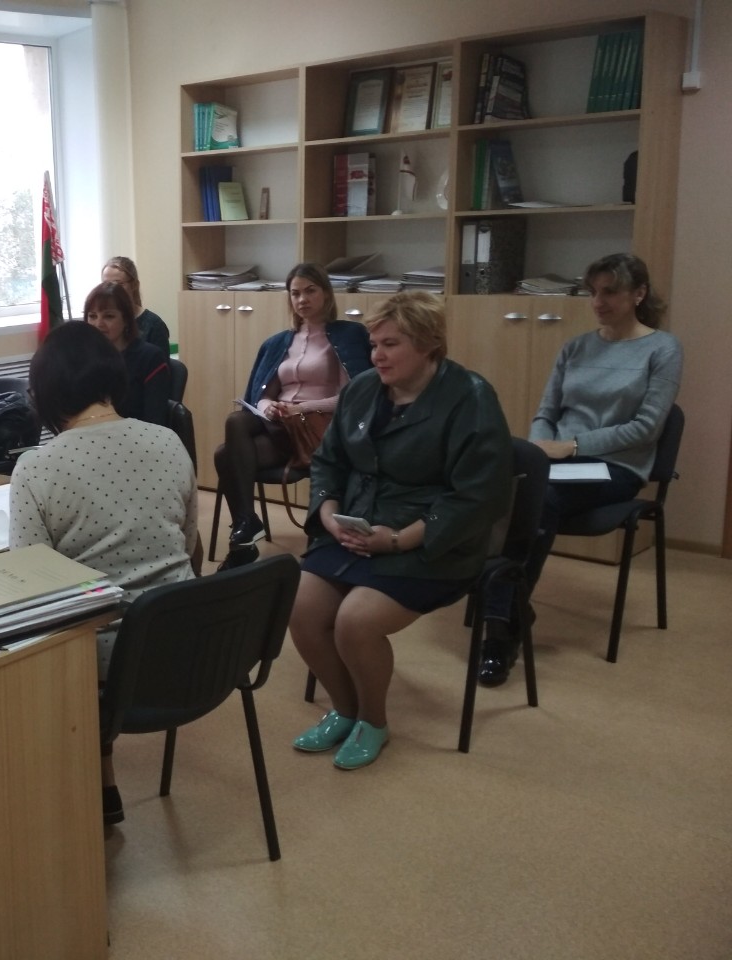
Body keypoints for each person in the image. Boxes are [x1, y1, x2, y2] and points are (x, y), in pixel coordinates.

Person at [0, 321, 198, 824]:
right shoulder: (169, 442)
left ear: (46, 394)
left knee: (39, 633)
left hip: (105, 657)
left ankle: (64, 787)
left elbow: (27, 589)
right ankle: (103, 781)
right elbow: (187, 544)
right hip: (185, 642)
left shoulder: (38, 467)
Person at [288, 293, 510, 770]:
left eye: (390, 345)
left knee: (356, 622)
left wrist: (398, 539)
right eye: (374, 344)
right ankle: (345, 709)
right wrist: (328, 513)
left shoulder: (470, 397)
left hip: (433, 542)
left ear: (428, 344)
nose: (377, 356)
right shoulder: (363, 389)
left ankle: (373, 720)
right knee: (300, 609)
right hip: (357, 529)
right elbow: (328, 461)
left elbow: (475, 496)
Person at [479, 253, 683, 686]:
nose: (597, 302)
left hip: (616, 466)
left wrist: (572, 446)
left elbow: (646, 428)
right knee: (502, 486)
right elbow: (546, 412)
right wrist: (539, 449)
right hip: (556, 459)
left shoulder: (663, 349)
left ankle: (498, 630)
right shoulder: (575, 347)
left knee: (540, 498)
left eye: (610, 292)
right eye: (593, 292)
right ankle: (511, 608)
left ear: (639, 294)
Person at [213, 262, 372, 554]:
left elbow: (351, 398)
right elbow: (261, 396)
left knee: (225, 455)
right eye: (295, 293)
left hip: (319, 430)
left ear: (326, 293)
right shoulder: (278, 342)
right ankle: (247, 521)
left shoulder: (347, 335)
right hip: (281, 427)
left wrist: (303, 408)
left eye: (310, 291)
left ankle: (246, 531)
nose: (302, 299)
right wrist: (269, 406)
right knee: (236, 422)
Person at [83, 281, 172, 426]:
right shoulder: (84, 357)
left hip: (137, 436)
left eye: (108, 316)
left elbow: (155, 422)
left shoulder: (150, 358)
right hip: (91, 435)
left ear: (126, 320)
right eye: (92, 316)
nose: (99, 324)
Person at [102, 255, 170, 354]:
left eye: (118, 284)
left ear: (134, 285)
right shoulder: (101, 323)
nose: (111, 290)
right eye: (106, 285)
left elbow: (160, 361)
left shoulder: (153, 325)